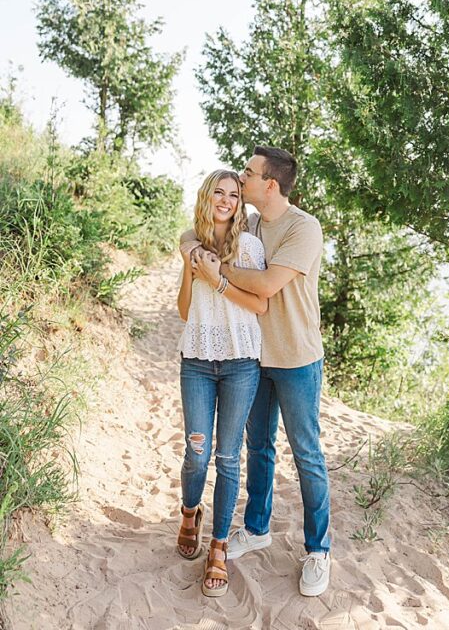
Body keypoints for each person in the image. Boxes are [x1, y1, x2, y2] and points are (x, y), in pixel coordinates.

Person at [180, 146, 331, 598]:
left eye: (248, 173)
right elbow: (199, 231)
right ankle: (257, 527)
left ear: (270, 184)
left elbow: (265, 285)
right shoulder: (250, 224)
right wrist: (189, 247)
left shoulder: (303, 228)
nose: (241, 179)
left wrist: (213, 271)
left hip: (297, 355)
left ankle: (318, 550)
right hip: (253, 355)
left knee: (306, 452)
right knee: (257, 445)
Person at [175, 169, 267, 598]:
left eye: (234, 194)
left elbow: (260, 304)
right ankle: (189, 512)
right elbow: (182, 310)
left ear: (240, 203)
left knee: (228, 458)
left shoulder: (249, 246)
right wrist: (190, 269)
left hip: (240, 364)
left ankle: (218, 547)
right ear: (207, 196)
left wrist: (219, 280)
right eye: (220, 192)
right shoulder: (191, 243)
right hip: (195, 360)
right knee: (197, 452)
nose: (227, 200)